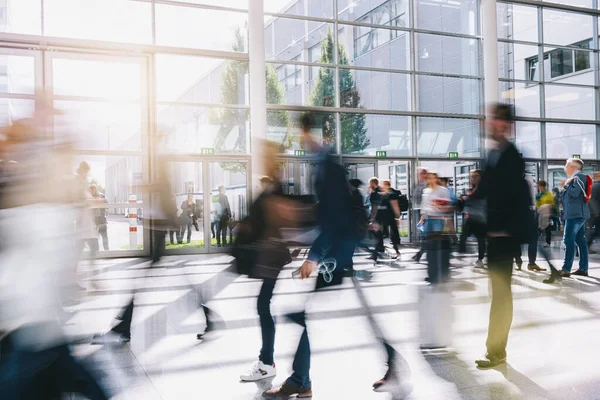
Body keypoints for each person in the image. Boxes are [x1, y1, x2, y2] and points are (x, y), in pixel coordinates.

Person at [263, 113, 355, 399]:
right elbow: (325, 213)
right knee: (307, 315)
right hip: (338, 248)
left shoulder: (328, 167)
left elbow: (335, 218)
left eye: (303, 133)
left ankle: (301, 381)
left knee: (306, 315)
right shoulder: (323, 166)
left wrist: (314, 256)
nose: (301, 139)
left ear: (312, 133)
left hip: (338, 252)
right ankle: (301, 380)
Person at [475, 103, 530, 369]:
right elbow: (483, 191)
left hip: (504, 237)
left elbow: (515, 197)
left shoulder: (512, 156)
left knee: (501, 294)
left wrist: (505, 229)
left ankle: (496, 351)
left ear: (505, 124)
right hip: (494, 236)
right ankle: (495, 348)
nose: (489, 124)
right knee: (498, 292)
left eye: (494, 119)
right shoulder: (492, 155)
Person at [240, 174, 284, 382]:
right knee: (263, 306)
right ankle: (267, 361)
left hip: (271, 261)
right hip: (271, 261)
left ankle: (267, 363)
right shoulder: (271, 198)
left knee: (263, 307)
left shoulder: (270, 199)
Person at [547, 158, 590, 280]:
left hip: (575, 215)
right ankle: (583, 269)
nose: (565, 167)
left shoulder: (579, 177)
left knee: (568, 240)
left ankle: (566, 269)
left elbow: (575, 193)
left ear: (573, 167)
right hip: (576, 214)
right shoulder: (575, 178)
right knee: (580, 241)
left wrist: (565, 185)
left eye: (567, 165)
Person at [420, 172, 452, 283]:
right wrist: (422, 218)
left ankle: (441, 273)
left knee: (438, 245)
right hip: (429, 218)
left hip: (439, 218)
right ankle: (432, 273)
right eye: (429, 178)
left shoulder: (443, 190)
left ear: (436, 179)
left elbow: (448, 205)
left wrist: (439, 205)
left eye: (433, 178)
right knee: (430, 246)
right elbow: (424, 206)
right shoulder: (425, 191)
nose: (431, 180)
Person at [458, 170, 486, 268]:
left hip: (480, 218)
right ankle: (461, 253)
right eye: (472, 176)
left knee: (480, 239)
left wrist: (466, 199)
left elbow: (475, 200)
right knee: (463, 236)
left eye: (476, 176)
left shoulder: (483, 189)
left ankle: (480, 259)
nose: (473, 178)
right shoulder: (471, 189)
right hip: (470, 217)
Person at [381, 179, 402, 259]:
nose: (382, 187)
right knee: (385, 234)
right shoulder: (384, 195)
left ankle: (397, 252)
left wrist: (397, 217)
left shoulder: (392, 194)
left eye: (384, 185)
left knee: (392, 235)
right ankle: (395, 252)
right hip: (385, 217)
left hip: (390, 217)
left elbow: (395, 206)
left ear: (387, 185)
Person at [412, 168, 428, 262]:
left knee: (425, 234)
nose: (420, 175)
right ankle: (420, 253)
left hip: (424, 212)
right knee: (423, 233)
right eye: (419, 173)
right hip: (417, 211)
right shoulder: (417, 185)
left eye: (422, 173)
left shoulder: (426, 185)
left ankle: (420, 253)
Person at [536, 180, 555, 248]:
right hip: (539, 212)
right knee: (538, 227)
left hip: (546, 213)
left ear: (541, 186)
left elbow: (552, 203)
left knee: (547, 228)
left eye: (538, 185)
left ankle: (548, 242)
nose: (537, 187)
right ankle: (535, 240)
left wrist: (545, 207)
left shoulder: (548, 194)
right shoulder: (539, 194)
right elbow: (537, 204)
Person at [90, 184, 109, 251]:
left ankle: (107, 251)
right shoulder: (90, 197)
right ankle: (97, 252)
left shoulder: (101, 196)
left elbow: (107, 206)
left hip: (102, 220)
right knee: (95, 238)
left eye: (93, 190)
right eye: (91, 190)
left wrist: (105, 216)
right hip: (94, 221)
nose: (93, 192)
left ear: (96, 189)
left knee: (104, 236)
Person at [587, 171, 600, 253]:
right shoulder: (597, 186)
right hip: (596, 212)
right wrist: (596, 212)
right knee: (594, 231)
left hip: (593, 212)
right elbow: (592, 200)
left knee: (595, 231)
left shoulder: (592, 186)